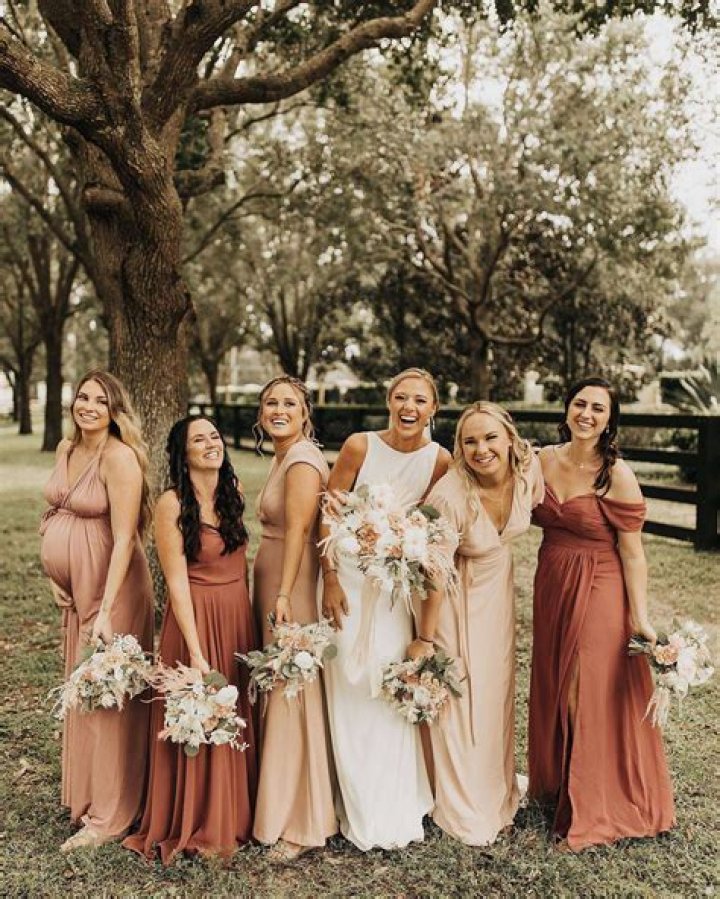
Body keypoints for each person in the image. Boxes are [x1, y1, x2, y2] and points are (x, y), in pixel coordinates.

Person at [528, 376, 675, 851]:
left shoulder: (616, 474)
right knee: (556, 678)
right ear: (566, 408)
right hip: (553, 579)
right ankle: (561, 784)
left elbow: (633, 553)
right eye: (580, 404)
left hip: (600, 582)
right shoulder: (541, 460)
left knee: (581, 686)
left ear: (610, 420)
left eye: (598, 408)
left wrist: (641, 617)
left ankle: (590, 804)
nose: (586, 414)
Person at [319, 367, 451, 851]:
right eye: (401, 397)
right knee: (350, 686)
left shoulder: (440, 460)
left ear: (433, 409)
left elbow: (434, 527)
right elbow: (328, 513)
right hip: (348, 586)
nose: (409, 407)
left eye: (419, 400)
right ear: (389, 401)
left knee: (387, 683)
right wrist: (330, 577)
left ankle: (394, 802)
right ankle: (352, 799)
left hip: (396, 592)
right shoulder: (359, 446)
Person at [408, 402, 544, 846]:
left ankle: (495, 786)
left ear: (510, 439)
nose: (481, 449)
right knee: (461, 696)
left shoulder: (529, 472)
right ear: (459, 447)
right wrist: (425, 638)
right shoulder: (450, 495)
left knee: (495, 691)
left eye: (490, 438)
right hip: (453, 598)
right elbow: (432, 573)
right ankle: (464, 801)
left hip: (497, 594)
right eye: (470, 441)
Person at [123, 416, 258, 863]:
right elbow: (177, 583)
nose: (211, 444)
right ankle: (197, 819)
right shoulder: (171, 504)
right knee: (202, 713)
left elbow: (240, 565)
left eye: (215, 436)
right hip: (195, 619)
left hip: (235, 615)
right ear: (183, 453)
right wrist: (197, 653)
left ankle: (234, 813)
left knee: (234, 714)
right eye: (199, 439)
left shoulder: (233, 492)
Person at [40, 369, 154, 852]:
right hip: (77, 590)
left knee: (109, 699)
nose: (88, 406)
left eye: (100, 401)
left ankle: (110, 816)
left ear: (114, 411)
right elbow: (53, 513)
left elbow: (126, 538)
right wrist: (54, 575)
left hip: (114, 590)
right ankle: (89, 796)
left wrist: (106, 610)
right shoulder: (66, 450)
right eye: (82, 397)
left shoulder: (119, 458)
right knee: (84, 693)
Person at [251, 376, 337, 861]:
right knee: (279, 685)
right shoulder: (283, 455)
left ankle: (302, 820)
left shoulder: (303, 460)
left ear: (305, 414)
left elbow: (303, 532)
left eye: (289, 404)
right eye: (271, 403)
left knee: (292, 688)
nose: (278, 410)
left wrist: (284, 593)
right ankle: (279, 801)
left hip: (292, 584)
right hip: (273, 578)